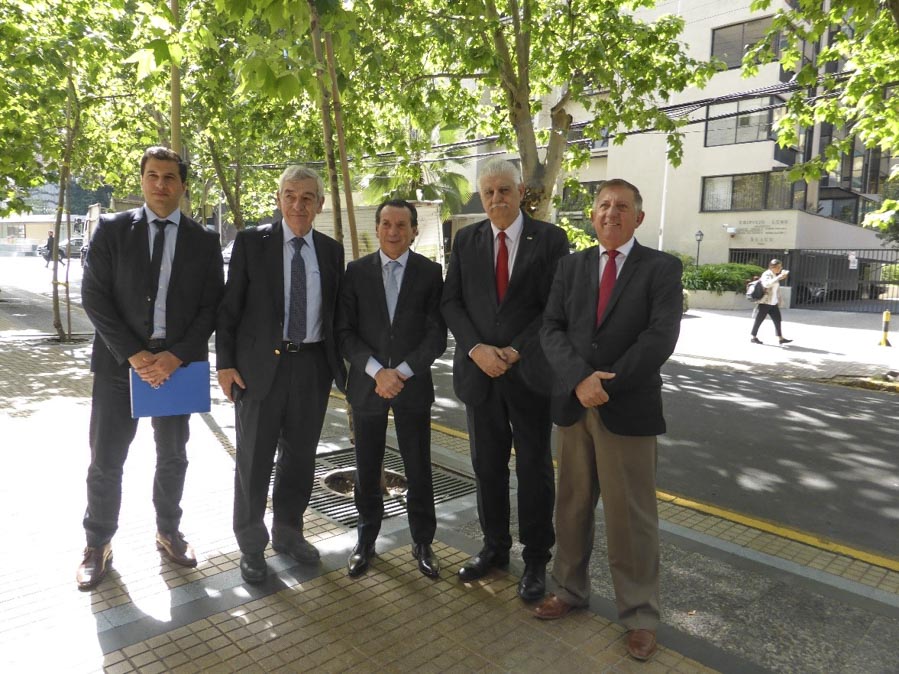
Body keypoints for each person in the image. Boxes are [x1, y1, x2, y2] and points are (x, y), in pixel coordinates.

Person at [537, 179, 682, 662]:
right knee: (571, 506)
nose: (611, 213)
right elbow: (551, 328)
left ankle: (639, 616)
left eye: (622, 206)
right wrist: (580, 379)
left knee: (631, 518)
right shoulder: (570, 266)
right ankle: (569, 589)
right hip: (574, 404)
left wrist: (606, 385)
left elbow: (660, 337)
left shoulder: (661, 268)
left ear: (638, 217)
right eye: (603, 205)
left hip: (627, 408)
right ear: (592, 214)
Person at [77, 146, 224, 590]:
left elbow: (211, 306)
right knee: (106, 459)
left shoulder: (204, 240)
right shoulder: (112, 229)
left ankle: (169, 531)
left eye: (170, 177)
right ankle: (97, 543)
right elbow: (94, 296)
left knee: (174, 455)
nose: (161, 184)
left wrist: (175, 356)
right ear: (142, 180)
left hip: (177, 367)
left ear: (183, 185)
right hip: (119, 366)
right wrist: (134, 355)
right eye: (153, 176)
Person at [441, 158, 569, 601]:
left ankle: (535, 559)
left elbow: (555, 307)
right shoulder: (467, 239)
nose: (496, 199)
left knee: (534, 469)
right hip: (480, 375)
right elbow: (451, 302)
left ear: (520, 193)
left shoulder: (550, 239)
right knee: (487, 467)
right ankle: (494, 548)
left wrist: (516, 349)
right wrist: (476, 349)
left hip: (528, 373)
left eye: (504, 190)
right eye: (489, 192)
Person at [216, 166, 346, 584]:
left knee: (300, 458)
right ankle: (252, 546)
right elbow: (229, 308)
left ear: (320, 204)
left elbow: (336, 313)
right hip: (258, 371)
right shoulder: (252, 243)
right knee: (254, 460)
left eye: (307, 197)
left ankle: (289, 532)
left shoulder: (331, 251)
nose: (298, 204)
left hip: (312, 367)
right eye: (290, 195)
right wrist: (225, 364)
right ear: (279, 199)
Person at [336, 199, 447, 578]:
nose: (393, 231)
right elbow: (345, 332)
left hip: (411, 385)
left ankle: (423, 541)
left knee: (419, 466)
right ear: (378, 228)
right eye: (386, 224)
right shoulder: (355, 272)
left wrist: (399, 372)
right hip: (367, 386)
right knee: (367, 468)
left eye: (401, 225)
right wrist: (376, 372)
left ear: (414, 231)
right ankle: (366, 539)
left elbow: (436, 335)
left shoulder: (430, 273)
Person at [750, 259, 792, 345]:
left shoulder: (773, 274)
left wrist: (781, 276)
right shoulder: (767, 274)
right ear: (773, 267)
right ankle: (753, 337)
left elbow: (774, 285)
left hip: (773, 302)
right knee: (759, 320)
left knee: (777, 319)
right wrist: (778, 277)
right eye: (779, 267)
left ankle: (780, 338)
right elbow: (766, 284)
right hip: (765, 302)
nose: (780, 268)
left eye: (781, 267)